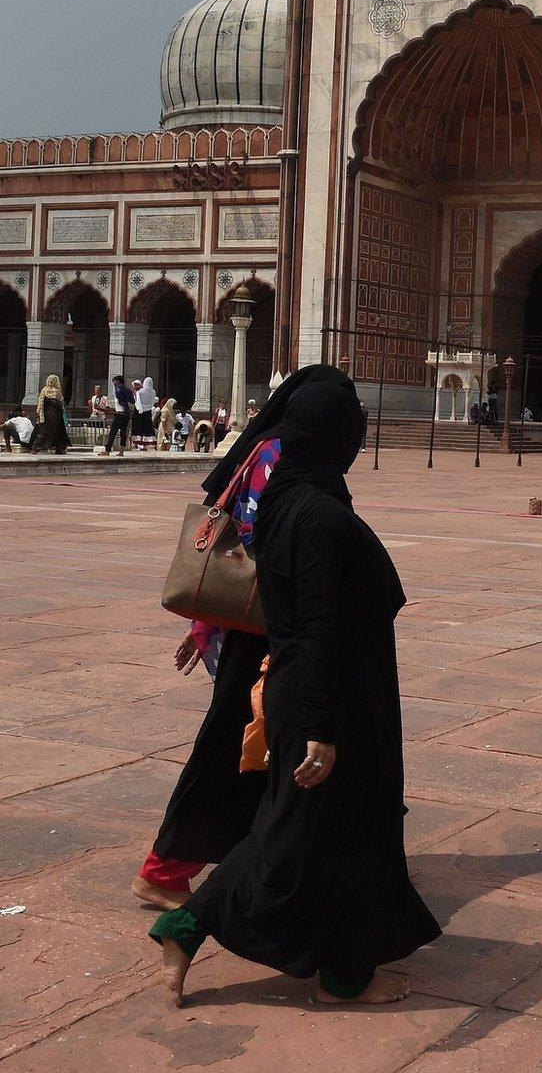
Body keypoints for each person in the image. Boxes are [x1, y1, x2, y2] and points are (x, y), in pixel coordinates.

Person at [149, 376, 442, 1007]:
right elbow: (316, 627)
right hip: (329, 696)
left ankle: (345, 973)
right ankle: (185, 926)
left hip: (327, 690)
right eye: (352, 422)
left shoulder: (283, 500)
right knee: (292, 839)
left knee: (348, 835)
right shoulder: (319, 516)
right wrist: (322, 726)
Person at [132, 367, 349, 914]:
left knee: (257, 750)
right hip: (266, 631)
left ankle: (262, 859)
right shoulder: (284, 455)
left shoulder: (270, 447)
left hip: (257, 627)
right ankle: (165, 870)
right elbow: (258, 547)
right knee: (236, 746)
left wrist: (205, 624)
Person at [30, 375, 69, 454]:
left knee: (42, 431)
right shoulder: (56, 391)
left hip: (45, 414)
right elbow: (60, 402)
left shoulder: (44, 390)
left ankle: (36, 448)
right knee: (57, 432)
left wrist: (39, 414)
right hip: (55, 415)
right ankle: (59, 449)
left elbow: (40, 403)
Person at [102, 375, 135, 456]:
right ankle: (121, 452)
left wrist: (121, 402)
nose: (113, 384)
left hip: (120, 414)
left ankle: (107, 450)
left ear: (117, 381)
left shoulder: (118, 388)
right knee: (123, 433)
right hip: (125, 415)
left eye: (113, 382)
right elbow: (132, 401)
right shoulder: (127, 390)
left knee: (113, 432)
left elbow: (120, 397)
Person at [132, 376, 158, 451]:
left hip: (139, 412)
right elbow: (153, 401)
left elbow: (136, 401)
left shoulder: (140, 391)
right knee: (147, 427)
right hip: (148, 412)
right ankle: (146, 443)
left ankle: (138, 443)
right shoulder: (153, 392)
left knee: (139, 427)